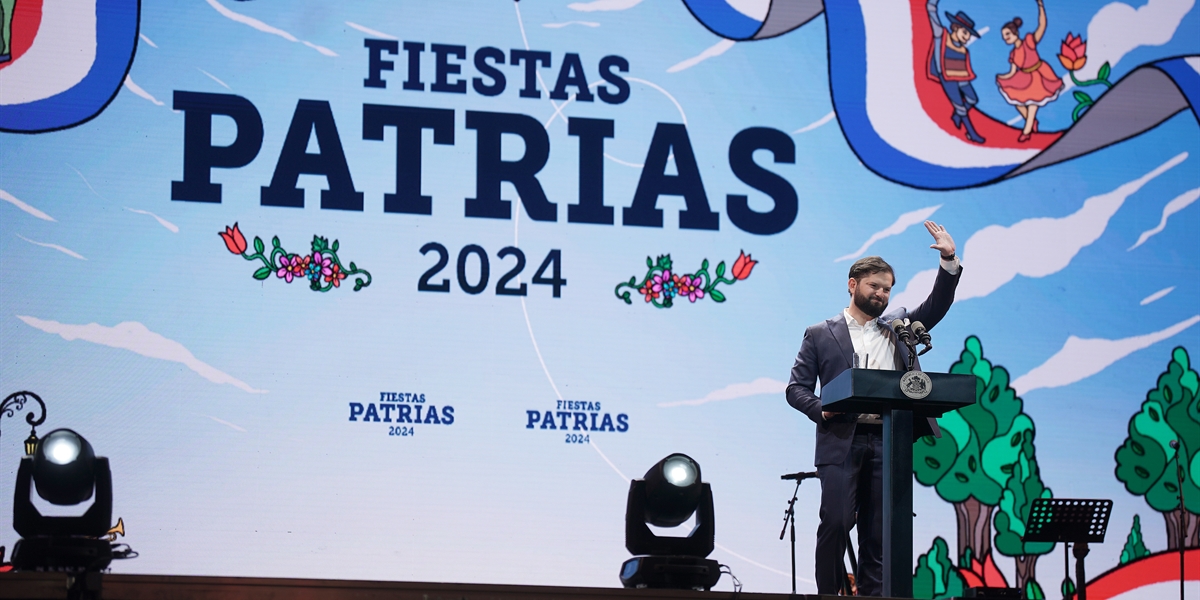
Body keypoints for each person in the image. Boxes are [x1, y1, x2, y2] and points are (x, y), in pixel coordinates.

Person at [786, 221, 962, 596]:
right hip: (841, 439)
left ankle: (872, 596)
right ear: (853, 285)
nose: (881, 294)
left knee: (879, 532)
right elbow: (796, 388)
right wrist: (821, 409)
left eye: (887, 289)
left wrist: (948, 260)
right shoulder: (819, 333)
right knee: (836, 522)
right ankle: (828, 594)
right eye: (874, 286)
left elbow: (937, 304)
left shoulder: (897, 326)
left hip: (889, 439)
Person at [996, 0, 1063, 142]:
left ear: (1015, 32)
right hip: (1024, 77)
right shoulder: (1013, 53)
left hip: (1039, 74)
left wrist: (1041, 6)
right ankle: (1032, 122)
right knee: (1017, 102)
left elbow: (1042, 26)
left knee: (1033, 104)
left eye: (1007, 34)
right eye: (1003, 36)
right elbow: (1012, 72)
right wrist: (1001, 77)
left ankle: (1026, 132)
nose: (1005, 38)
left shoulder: (1029, 41)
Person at [927, 1, 985, 144]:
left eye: (969, 35)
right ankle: (972, 133)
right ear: (955, 27)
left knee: (973, 99)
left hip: (962, 78)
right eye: (965, 32)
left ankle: (957, 116)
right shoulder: (941, 36)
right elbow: (930, 9)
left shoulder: (963, 49)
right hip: (947, 78)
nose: (967, 37)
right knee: (960, 106)